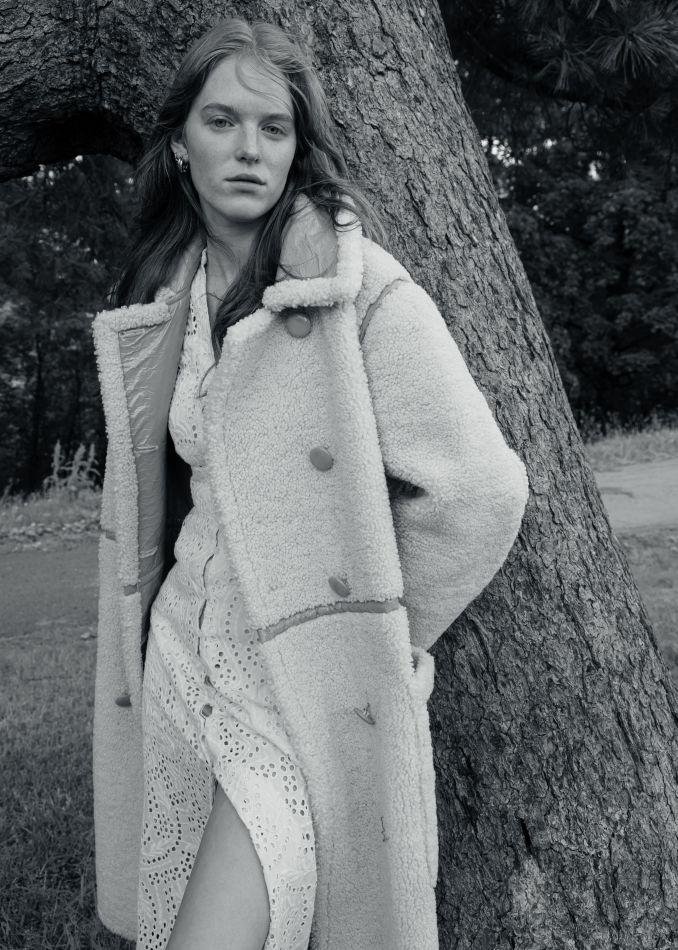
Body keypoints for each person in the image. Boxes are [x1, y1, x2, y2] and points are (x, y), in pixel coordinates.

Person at [91, 15, 530, 950]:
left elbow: (483, 490)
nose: (249, 149)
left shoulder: (354, 285)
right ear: (181, 143)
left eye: (274, 127)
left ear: (299, 147)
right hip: (181, 657)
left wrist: (362, 635)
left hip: (293, 686)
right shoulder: (165, 290)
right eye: (222, 122)